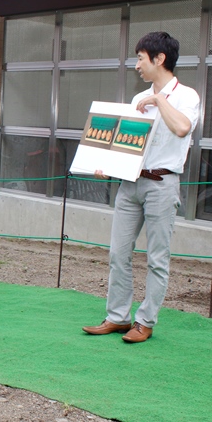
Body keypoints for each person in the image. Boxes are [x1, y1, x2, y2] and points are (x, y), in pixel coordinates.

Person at [83, 32, 200, 343]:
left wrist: (159, 99)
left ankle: (145, 322)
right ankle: (117, 317)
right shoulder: (137, 99)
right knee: (117, 254)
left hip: (162, 185)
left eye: (140, 58)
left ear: (159, 59)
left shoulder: (187, 96)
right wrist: (105, 166)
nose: (136, 65)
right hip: (129, 183)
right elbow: (126, 146)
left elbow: (182, 128)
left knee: (157, 258)